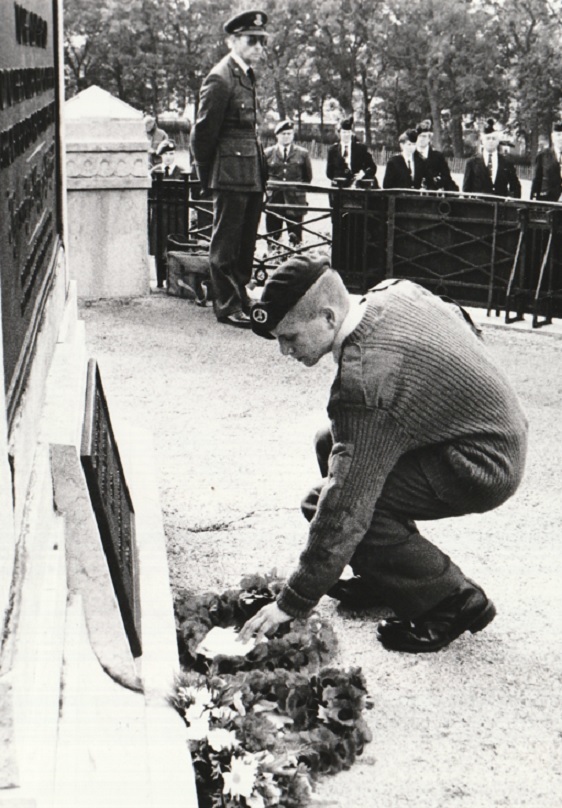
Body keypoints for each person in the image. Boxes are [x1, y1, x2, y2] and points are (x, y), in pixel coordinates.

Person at [240, 254, 527, 653]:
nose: (284, 352)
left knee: (326, 502)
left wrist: (293, 602)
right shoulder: (392, 292)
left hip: (483, 464)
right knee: (331, 439)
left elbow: (344, 508)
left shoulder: (364, 383)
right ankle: (384, 576)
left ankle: (453, 600)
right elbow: (460, 321)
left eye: (289, 337)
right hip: (498, 429)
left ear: (327, 317)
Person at [190, 9, 268, 329]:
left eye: (262, 41)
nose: (259, 47)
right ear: (232, 40)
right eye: (252, 40)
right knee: (225, 243)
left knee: (245, 240)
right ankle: (226, 303)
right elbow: (203, 133)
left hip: (249, 172)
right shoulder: (220, 77)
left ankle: (240, 294)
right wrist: (207, 174)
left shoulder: (245, 74)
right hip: (229, 172)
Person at [265, 119, 313, 246]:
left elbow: (307, 178)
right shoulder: (268, 153)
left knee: (296, 238)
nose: (286, 137)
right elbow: (263, 176)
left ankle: (295, 261)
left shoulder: (303, 153)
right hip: (274, 200)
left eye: (289, 133)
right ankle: (273, 261)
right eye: (283, 134)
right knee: (273, 237)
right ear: (277, 135)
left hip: (295, 202)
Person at [463, 119, 521, 198]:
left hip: (500, 207)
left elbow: (516, 187)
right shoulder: (472, 163)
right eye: (488, 138)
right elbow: (466, 190)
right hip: (478, 207)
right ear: (482, 141)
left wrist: (512, 204)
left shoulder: (507, 163)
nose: (491, 141)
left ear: (498, 141)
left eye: (494, 139)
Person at [326, 116, 379, 189]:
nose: (346, 135)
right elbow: (329, 173)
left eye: (348, 132)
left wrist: (363, 174)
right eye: (344, 132)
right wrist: (340, 178)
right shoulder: (332, 151)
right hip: (339, 187)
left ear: (351, 133)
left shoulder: (361, 149)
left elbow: (372, 167)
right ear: (339, 133)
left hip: (358, 187)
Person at [415, 119, 459, 191]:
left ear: (429, 138)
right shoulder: (411, 156)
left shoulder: (438, 157)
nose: (421, 139)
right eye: (419, 136)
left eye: (424, 136)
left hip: (434, 196)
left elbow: (446, 177)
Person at [530, 120, 562, 202]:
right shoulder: (543, 156)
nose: (561, 138)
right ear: (552, 137)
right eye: (558, 135)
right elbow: (537, 180)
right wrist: (533, 201)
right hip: (548, 201)